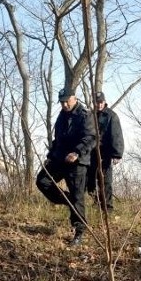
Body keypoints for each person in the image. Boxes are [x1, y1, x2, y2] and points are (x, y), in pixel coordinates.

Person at [36, 88, 96, 246]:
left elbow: (90, 138)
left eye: (66, 101)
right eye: (61, 102)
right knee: (42, 181)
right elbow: (58, 140)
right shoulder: (61, 116)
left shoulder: (85, 115)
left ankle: (79, 231)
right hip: (59, 159)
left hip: (77, 163)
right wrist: (50, 156)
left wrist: (76, 152)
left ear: (74, 98)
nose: (64, 104)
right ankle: (68, 200)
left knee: (78, 196)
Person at [87, 91, 124, 212]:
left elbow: (116, 135)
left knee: (105, 181)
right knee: (90, 180)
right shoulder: (90, 115)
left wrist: (117, 154)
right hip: (92, 153)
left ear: (104, 102)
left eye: (100, 102)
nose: (99, 105)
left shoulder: (111, 116)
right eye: (96, 102)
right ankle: (96, 203)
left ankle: (107, 208)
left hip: (106, 154)